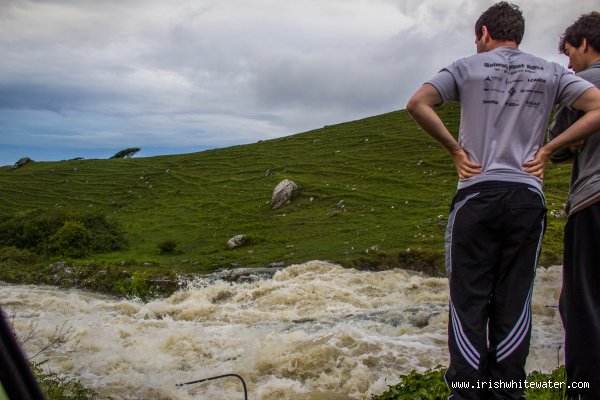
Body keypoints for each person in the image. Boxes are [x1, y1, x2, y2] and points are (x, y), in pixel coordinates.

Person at [406, 2, 600, 399]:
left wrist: (456, 152)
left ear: (483, 33)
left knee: (469, 297)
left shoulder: (465, 66)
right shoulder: (550, 71)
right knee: (515, 298)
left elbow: (417, 103)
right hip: (527, 195)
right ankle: (508, 391)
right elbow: (597, 106)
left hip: (477, 193)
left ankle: (465, 392)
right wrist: (548, 150)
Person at [547, 12, 600, 400]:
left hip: (594, 200)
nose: (568, 64)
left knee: (583, 303)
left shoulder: (583, 83)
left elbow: (557, 144)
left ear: (584, 43)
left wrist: (566, 144)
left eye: (569, 53)